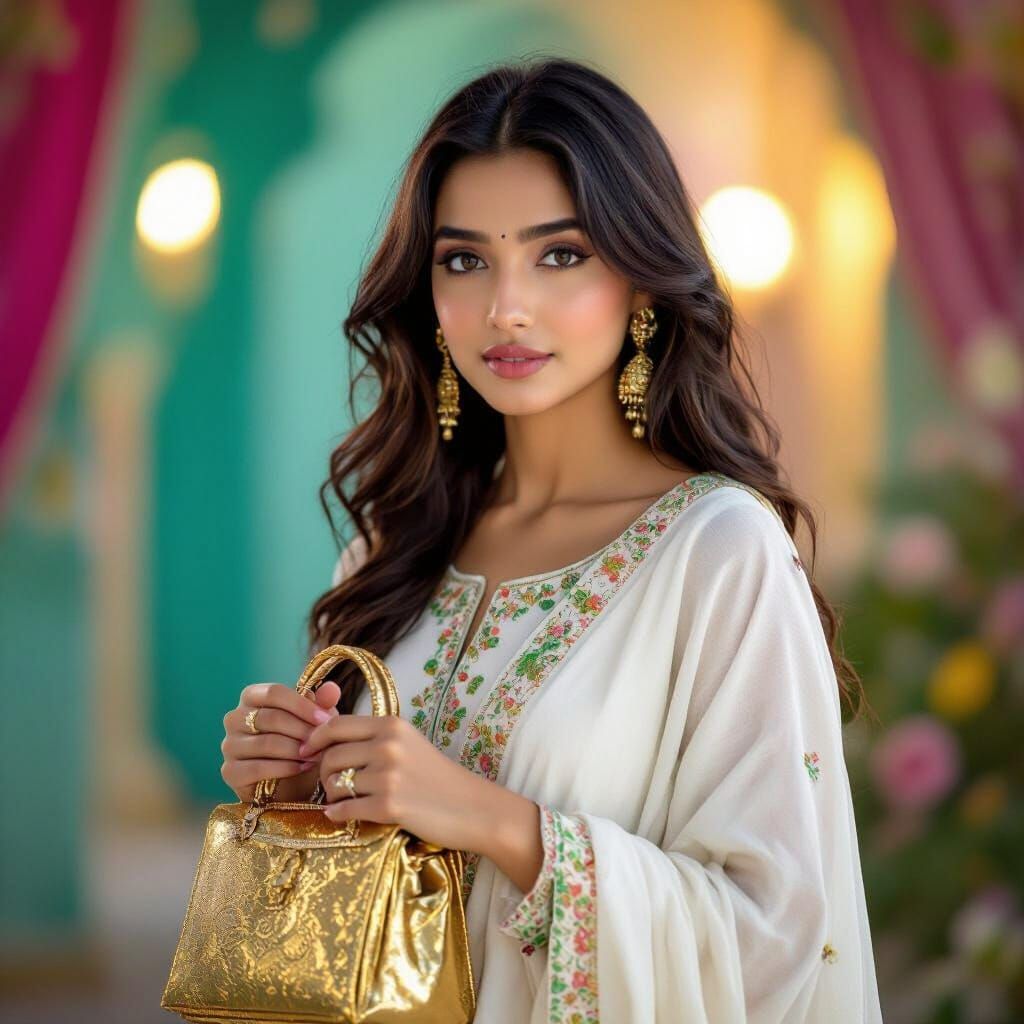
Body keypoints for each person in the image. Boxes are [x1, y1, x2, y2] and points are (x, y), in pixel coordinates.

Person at [220, 56, 883, 1022]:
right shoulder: (394, 546)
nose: (506, 307)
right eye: (464, 260)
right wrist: (295, 785)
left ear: (642, 283)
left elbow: (773, 936)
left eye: (559, 254)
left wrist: (497, 821)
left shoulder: (717, 553)